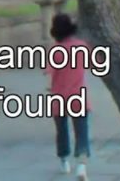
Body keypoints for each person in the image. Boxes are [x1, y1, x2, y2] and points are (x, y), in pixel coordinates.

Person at [47, 14, 91, 179]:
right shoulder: (82, 46)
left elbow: (48, 71)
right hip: (79, 96)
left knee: (62, 131)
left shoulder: (55, 50)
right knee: (82, 131)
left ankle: (64, 160)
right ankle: (81, 165)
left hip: (59, 97)